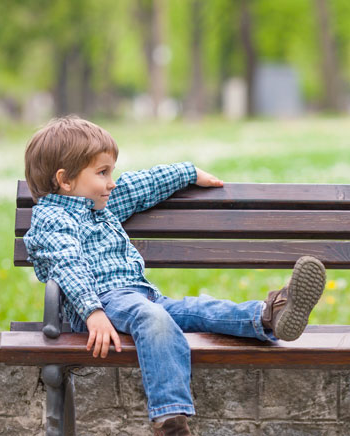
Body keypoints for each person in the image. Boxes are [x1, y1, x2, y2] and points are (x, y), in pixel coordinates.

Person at [23, 116, 327, 436]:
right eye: (103, 172)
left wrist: (189, 173)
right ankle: (170, 420)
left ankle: (269, 314)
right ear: (65, 180)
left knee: (199, 309)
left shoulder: (101, 204)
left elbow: (143, 185)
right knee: (152, 317)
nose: (112, 181)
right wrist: (92, 311)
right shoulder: (53, 219)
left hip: (142, 297)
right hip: (103, 303)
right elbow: (67, 263)